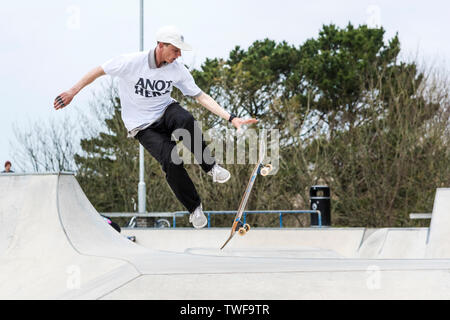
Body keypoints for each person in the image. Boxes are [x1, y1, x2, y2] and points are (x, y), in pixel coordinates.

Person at [53, 26, 257, 229]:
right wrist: (72, 91)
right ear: (161, 45)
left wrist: (231, 118)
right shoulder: (131, 62)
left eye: (180, 52)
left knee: (185, 119)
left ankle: (210, 167)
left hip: (165, 112)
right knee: (171, 161)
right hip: (142, 126)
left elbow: (200, 96)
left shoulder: (177, 69)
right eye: (175, 50)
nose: (178, 56)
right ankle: (194, 208)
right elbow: (98, 71)